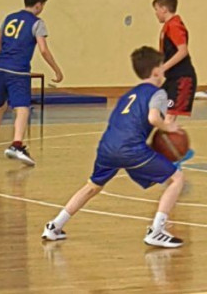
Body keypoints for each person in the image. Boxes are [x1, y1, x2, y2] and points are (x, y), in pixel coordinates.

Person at [41, 46, 185, 248]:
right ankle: (157, 231)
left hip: (107, 147)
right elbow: (153, 118)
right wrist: (168, 126)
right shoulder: (158, 93)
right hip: (130, 149)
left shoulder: (128, 95)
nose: (164, 70)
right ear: (155, 72)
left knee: (92, 187)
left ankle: (55, 225)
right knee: (177, 178)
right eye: (162, 67)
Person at [0, 0, 64, 165]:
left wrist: (7, 55)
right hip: (18, 71)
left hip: (0, 68)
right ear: (39, 5)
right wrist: (57, 70)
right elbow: (43, 50)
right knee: (23, 107)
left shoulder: (9, 18)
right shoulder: (37, 23)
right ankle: (17, 144)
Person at [153, 0, 198, 129]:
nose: (156, 13)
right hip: (172, 78)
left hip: (182, 79)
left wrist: (163, 68)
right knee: (155, 110)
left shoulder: (174, 25)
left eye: (156, 9)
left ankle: (171, 141)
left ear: (164, 9)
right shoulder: (167, 26)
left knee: (169, 118)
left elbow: (182, 51)